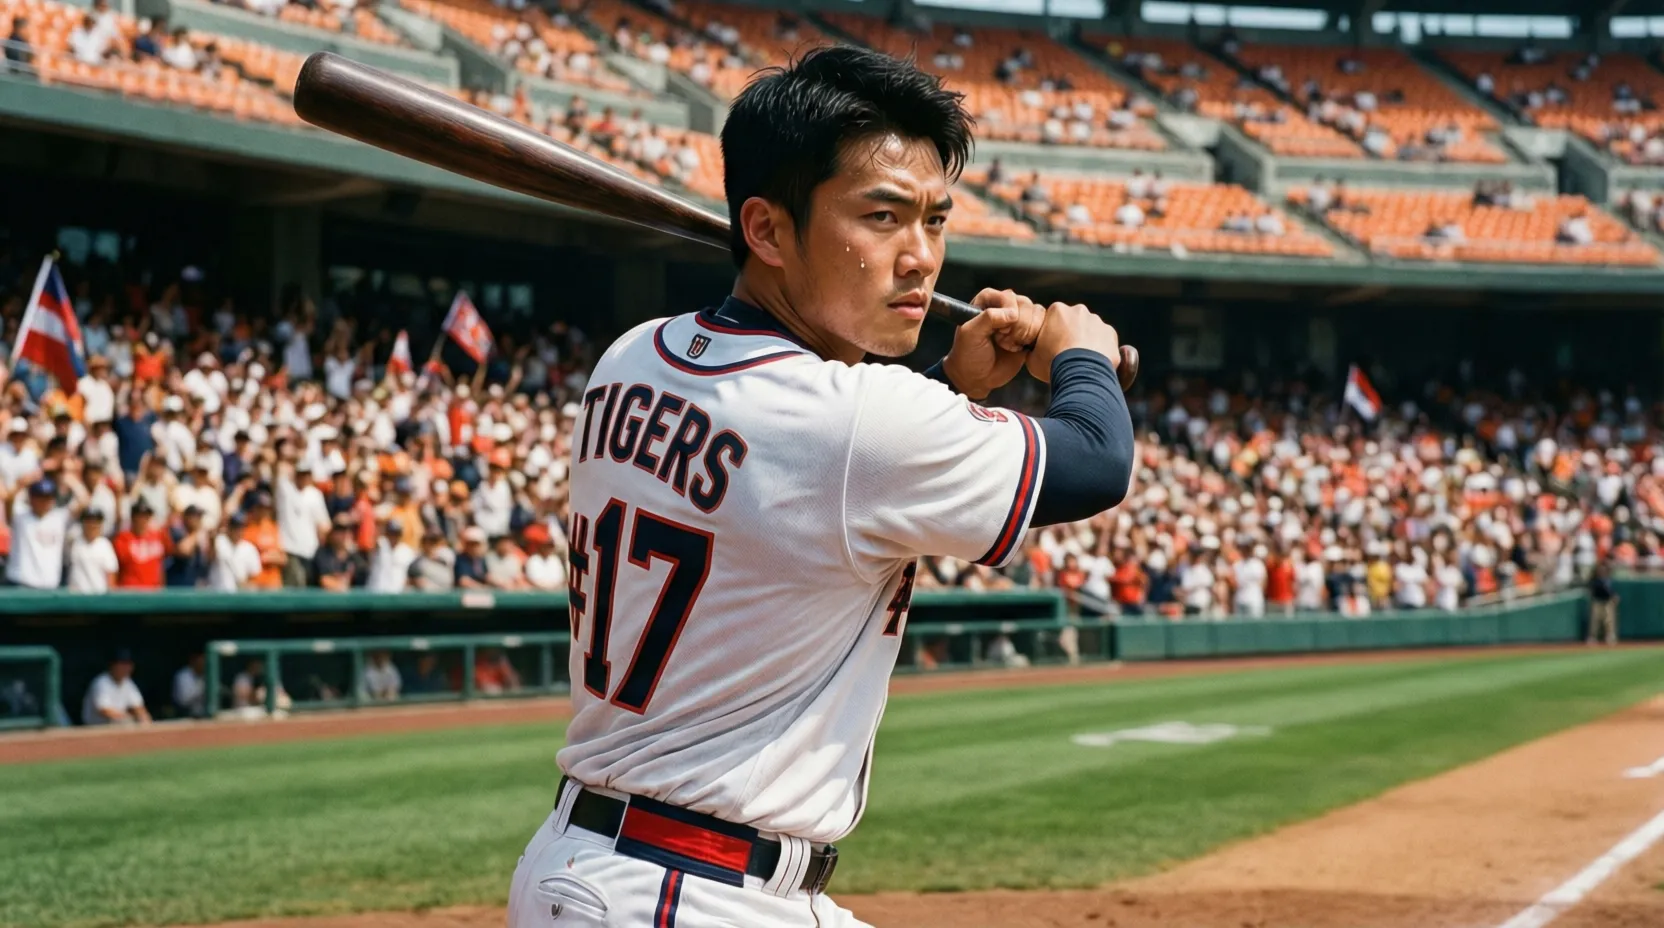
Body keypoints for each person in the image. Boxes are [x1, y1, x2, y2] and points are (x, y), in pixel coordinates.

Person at [508, 47, 1134, 928]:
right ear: (765, 230)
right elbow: (1097, 461)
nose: (920, 258)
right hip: (694, 890)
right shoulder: (856, 423)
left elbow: (812, 481)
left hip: (608, 861)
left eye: (934, 220)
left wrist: (949, 393)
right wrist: (1082, 352)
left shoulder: (633, 354)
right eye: (882, 217)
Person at [9, 479, 72, 589]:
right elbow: (9, 499)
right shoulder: (20, 516)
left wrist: (70, 479)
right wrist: (22, 483)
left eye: (47, 497)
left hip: (50, 586)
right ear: (31, 498)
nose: (43, 501)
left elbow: (84, 500)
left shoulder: (59, 517)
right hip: (21, 585)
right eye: (39, 497)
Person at [82, 650, 150, 726]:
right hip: (95, 728)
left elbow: (138, 706)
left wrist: (143, 716)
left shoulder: (127, 682)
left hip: (115, 725)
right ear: (112, 665)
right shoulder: (101, 682)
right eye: (122, 664)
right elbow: (104, 710)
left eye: (128, 664)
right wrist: (128, 718)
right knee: (126, 723)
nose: (126, 668)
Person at [114, 500, 171, 589]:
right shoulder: (123, 539)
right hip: (130, 592)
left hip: (153, 591)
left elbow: (160, 565)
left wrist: (161, 588)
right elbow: (116, 568)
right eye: (139, 516)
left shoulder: (158, 536)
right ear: (133, 518)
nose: (142, 520)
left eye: (146, 516)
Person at [208, 512, 262, 591]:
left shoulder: (249, 548)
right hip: (217, 594)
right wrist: (212, 539)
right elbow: (210, 556)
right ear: (229, 528)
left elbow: (254, 577)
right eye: (235, 527)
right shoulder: (220, 541)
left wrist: (246, 585)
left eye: (241, 527)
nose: (238, 531)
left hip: (239, 598)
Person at [67, 509, 118, 592]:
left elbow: (111, 574)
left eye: (96, 522)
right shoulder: (74, 542)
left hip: (98, 598)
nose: (92, 525)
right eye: (88, 521)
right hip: (76, 597)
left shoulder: (105, 545)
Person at [1588, 558, 1618, 645]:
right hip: (1597, 601)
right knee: (1595, 621)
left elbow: (1610, 590)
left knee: (1609, 621)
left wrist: (1613, 596)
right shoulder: (1595, 580)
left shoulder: (1608, 579)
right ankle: (1592, 637)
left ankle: (1610, 637)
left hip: (1607, 601)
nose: (1602, 571)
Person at [173, 652, 207, 718]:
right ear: (193, 661)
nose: (202, 664)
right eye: (200, 662)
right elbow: (184, 700)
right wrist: (202, 690)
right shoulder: (183, 676)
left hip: (202, 714)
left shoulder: (205, 675)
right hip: (184, 714)